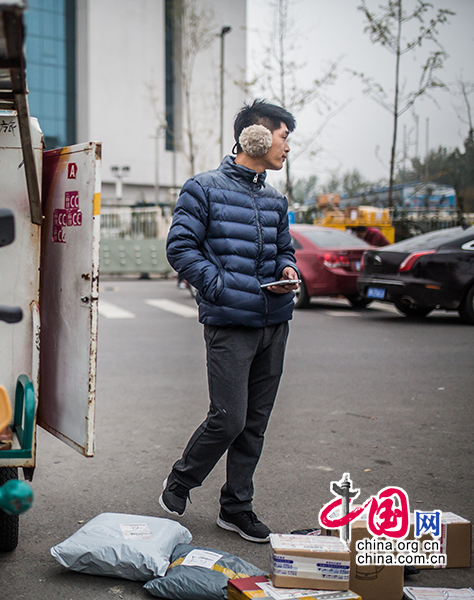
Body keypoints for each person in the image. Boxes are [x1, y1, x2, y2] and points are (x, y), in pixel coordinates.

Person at [159, 99, 300, 543]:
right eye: (283, 136)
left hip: (274, 322)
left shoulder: (275, 200)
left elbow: (284, 249)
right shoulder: (202, 188)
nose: (287, 147)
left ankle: (236, 507)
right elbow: (180, 249)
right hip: (230, 324)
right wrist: (217, 287)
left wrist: (287, 271)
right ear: (255, 136)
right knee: (229, 417)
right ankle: (181, 481)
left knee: (255, 422)